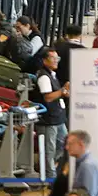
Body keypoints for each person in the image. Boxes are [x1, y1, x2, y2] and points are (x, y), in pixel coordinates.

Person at [33, 48, 68, 179]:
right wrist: (63, 91)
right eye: (53, 58)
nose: (56, 61)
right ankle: (50, 176)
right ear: (44, 60)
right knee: (50, 148)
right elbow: (48, 97)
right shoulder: (43, 76)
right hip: (48, 120)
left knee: (64, 143)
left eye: (57, 58)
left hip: (57, 117)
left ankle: (49, 166)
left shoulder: (52, 74)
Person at [63, 131, 98, 196]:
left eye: (70, 144)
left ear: (81, 145)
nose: (67, 147)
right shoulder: (86, 163)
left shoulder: (87, 166)